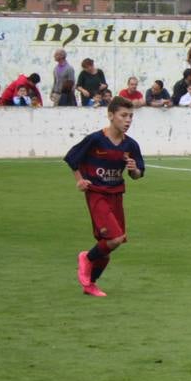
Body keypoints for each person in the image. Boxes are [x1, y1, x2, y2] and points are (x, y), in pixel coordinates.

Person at [64, 96, 145, 298]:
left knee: (110, 244)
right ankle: (86, 258)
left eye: (131, 116)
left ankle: (90, 284)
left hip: (116, 194)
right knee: (115, 238)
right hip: (97, 193)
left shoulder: (131, 146)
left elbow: (138, 174)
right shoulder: (96, 139)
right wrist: (80, 180)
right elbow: (72, 158)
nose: (128, 120)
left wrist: (134, 170)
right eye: (123, 115)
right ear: (111, 116)